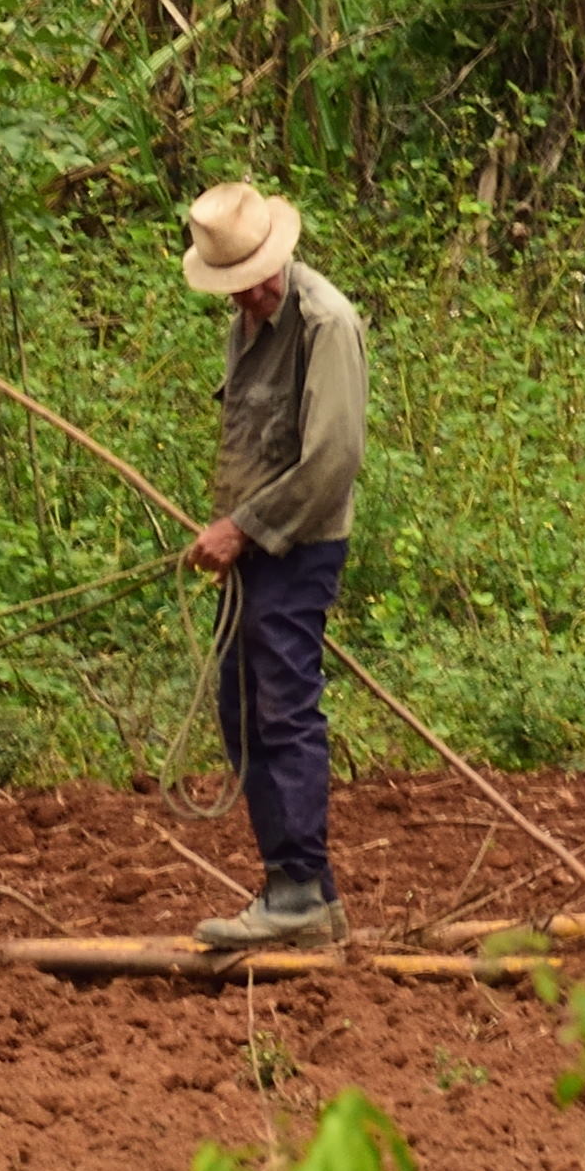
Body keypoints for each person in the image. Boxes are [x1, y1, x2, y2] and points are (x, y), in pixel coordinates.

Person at [178, 179, 362, 951]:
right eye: (236, 284)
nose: (250, 294)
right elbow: (252, 438)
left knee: (282, 711)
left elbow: (332, 460)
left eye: (256, 278)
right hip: (251, 549)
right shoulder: (245, 323)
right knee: (243, 711)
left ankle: (297, 894)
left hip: (298, 546)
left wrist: (243, 528)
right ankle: (304, 891)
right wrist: (228, 531)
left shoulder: (326, 322)